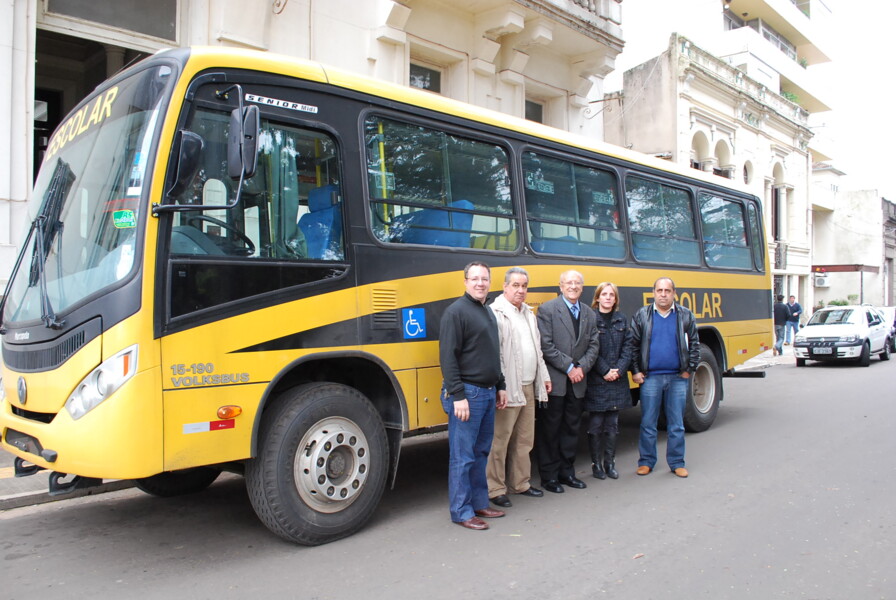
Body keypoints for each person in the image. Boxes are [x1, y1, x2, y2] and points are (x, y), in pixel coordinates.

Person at [439, 262, 509, 530]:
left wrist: (500, 384)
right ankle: (461, 511)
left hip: (488, 392)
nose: (480, 283)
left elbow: (492, 353)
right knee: (463, 456)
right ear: (465, 281)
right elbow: (448, 359)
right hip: (468, 394)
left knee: (481, 452)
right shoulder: (456, 313)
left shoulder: (487, 311)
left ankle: (479, 503)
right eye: (475, 279)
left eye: (484, 279)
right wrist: (458, 396)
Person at [486, 267, 552, 508]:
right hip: (508, 387)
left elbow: (538, 349)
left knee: (524, 440)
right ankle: (495, 488)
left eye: (524, 286)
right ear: (505, 287)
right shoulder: (496, 313)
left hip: (528, 385)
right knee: (500, 440)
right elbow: (496, 355)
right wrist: (500, 386)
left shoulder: (528, 313)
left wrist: (542, 375)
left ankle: (521, 483)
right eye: (515, 285)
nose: (521, 290)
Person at [535, 270, 600, 493]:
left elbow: (594, 345)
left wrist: (581, 367)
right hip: (556, 382)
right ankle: (549, 477)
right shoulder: (547, 310)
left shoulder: (590, 314)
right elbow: (545, 345)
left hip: (578, 381)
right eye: (568, 283)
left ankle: (567, 473)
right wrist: (570, 367)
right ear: (560, 286)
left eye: (577, 283)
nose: (573, 286)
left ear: (582, 287)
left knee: (572, 429)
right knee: (550, 430)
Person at [630, 277, 700, 478]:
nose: (663, 294)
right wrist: (635, 370)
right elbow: (633, 345)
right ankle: (646, 462)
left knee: (676, 423)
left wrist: (689, 369)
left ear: (674, 293)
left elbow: (695, 344)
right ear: (653, 292)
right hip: (650, 378)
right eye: (659, 290)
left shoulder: (685, 315)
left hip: (678, 377)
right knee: (648, 423)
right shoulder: (643, 315)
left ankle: (677, 462)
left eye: (667, 290)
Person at [585, 281, 633, 480]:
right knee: (596, 424)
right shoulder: (591, 319)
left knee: (612, 424)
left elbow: (628, 347)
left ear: (615, 299)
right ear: (597, 298)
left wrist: (619, 370)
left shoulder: (621, 319)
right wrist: (605, 370)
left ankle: (610, 463)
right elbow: (589, 349)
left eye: (611, 295)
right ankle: (596, 465)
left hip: (616, 380)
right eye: (604, 294)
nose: (607, 298)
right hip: (598, 380)